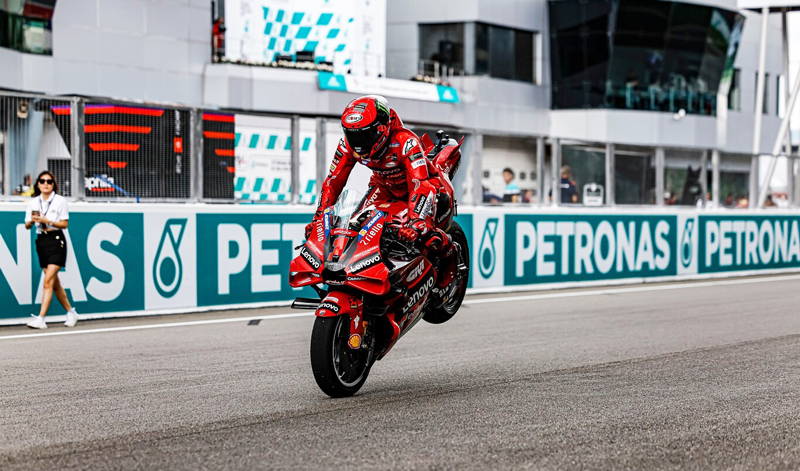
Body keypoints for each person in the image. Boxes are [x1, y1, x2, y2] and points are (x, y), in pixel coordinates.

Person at [305, 95, 455, 289]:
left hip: (423, 186)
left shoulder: (405, 141)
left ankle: (449, 258)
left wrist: (416, 220)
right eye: (352, 134)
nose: (358, 142)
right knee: (357, 224)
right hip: (384, 187)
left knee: (424, 232)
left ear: (381, 128)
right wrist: (318, 219)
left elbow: (421, 184)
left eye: (363, 135)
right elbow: (333, 183)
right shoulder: (348, 145)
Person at [24, 171, 78, 329]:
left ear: (53, 184)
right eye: (42, 181)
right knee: (54, 284)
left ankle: (41, 318)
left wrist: (48, 220)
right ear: (38, 184)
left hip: (56, 240)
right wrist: (32, 222)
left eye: (49, 181)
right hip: (41, 241)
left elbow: (65, 224)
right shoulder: (34, 202)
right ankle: (71, 312)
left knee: (47, 282)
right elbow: (27, 225)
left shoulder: (60, 201)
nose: (46, 184)